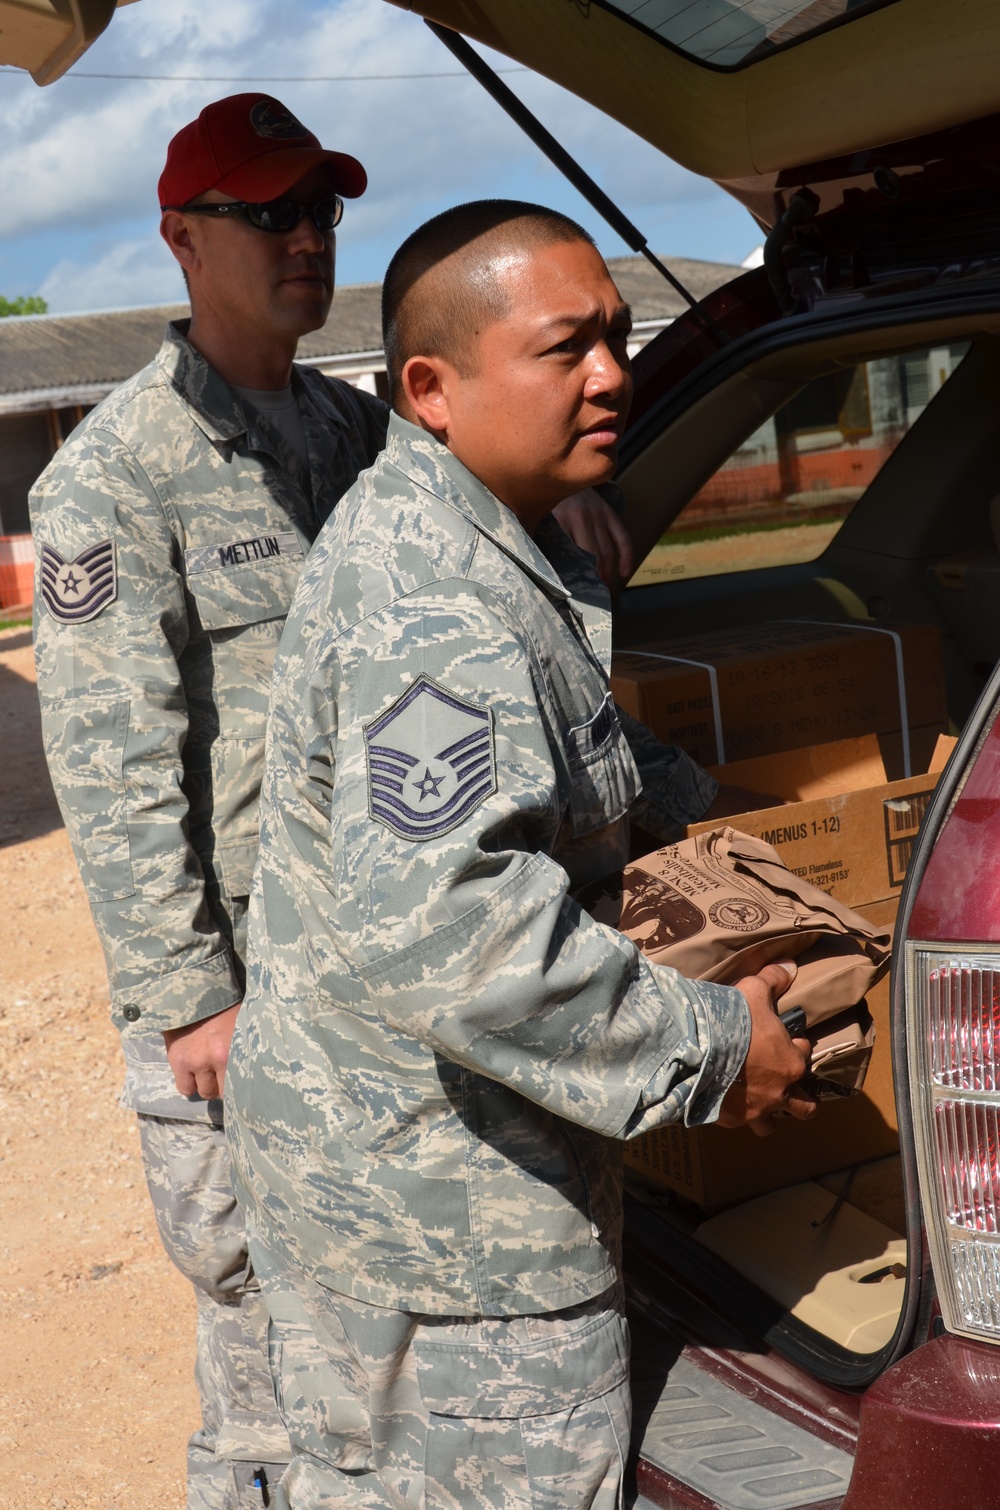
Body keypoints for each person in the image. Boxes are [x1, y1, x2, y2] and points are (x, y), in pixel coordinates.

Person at [29, 101, 713, 1509]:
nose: (303, 239)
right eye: (266, 212)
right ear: (180, 239)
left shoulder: (362, 427)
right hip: (239, 992)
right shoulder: (110, 474)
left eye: (321, 212)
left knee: (355, 1383)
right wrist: (189, 994)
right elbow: (113, 766)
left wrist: (552, 512)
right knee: (273, 1369)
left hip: (359, 971)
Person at [225, 200, 816, 1509]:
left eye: (619, 336)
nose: (614, 374)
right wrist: (717, 1046)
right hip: (444, 1236)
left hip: (403, 1189)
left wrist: (736, 831)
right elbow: (460, 938)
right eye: (568, 350)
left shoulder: (485, 542)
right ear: (431, 388)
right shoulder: (434, 598)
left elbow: (572, 761)